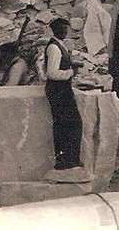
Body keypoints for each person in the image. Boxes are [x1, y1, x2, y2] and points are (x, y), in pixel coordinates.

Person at [44, 18, 84, 170]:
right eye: (62, 29)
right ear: (55, 30)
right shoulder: (54, 48)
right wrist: (70, 72)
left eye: (66, 28)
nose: (65, 31)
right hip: (58, 91)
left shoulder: (59, 45)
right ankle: (66, 161)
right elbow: (51, 73)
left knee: (67, 125)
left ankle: (68, 159)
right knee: (69, 125)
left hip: (61, 90)